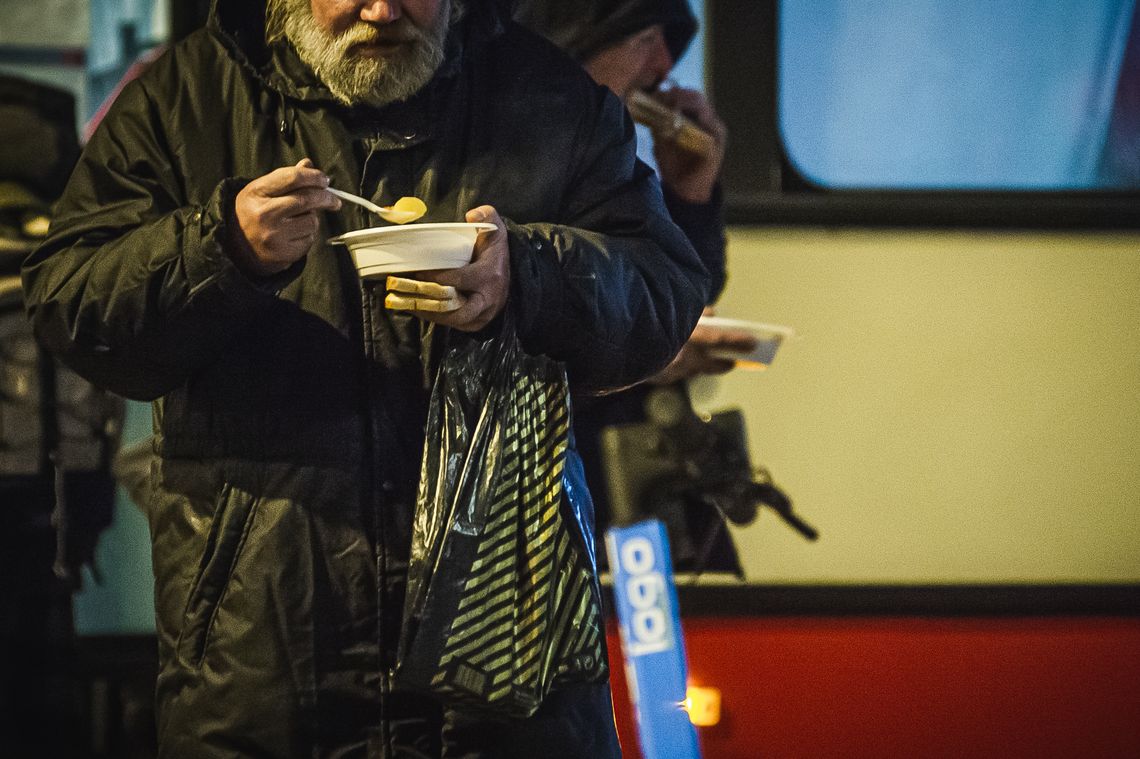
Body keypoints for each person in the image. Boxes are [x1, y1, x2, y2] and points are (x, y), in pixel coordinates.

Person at [21, 0, 709, 756]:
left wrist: (529, 272)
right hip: (261, 657)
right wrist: (219, 250)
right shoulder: (185, 96)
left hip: (506, 650)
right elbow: (68, 303)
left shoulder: (547, 95)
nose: (382, 9)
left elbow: (665, 294)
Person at [514, 0, 758, 574]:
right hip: (552, 501)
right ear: (575, 40)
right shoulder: (509, 167)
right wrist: (644, 359)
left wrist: (689, 195)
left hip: (638, 476)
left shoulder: (613, 168)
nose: (664, 66)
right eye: (645, 39)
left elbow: (681, 293)